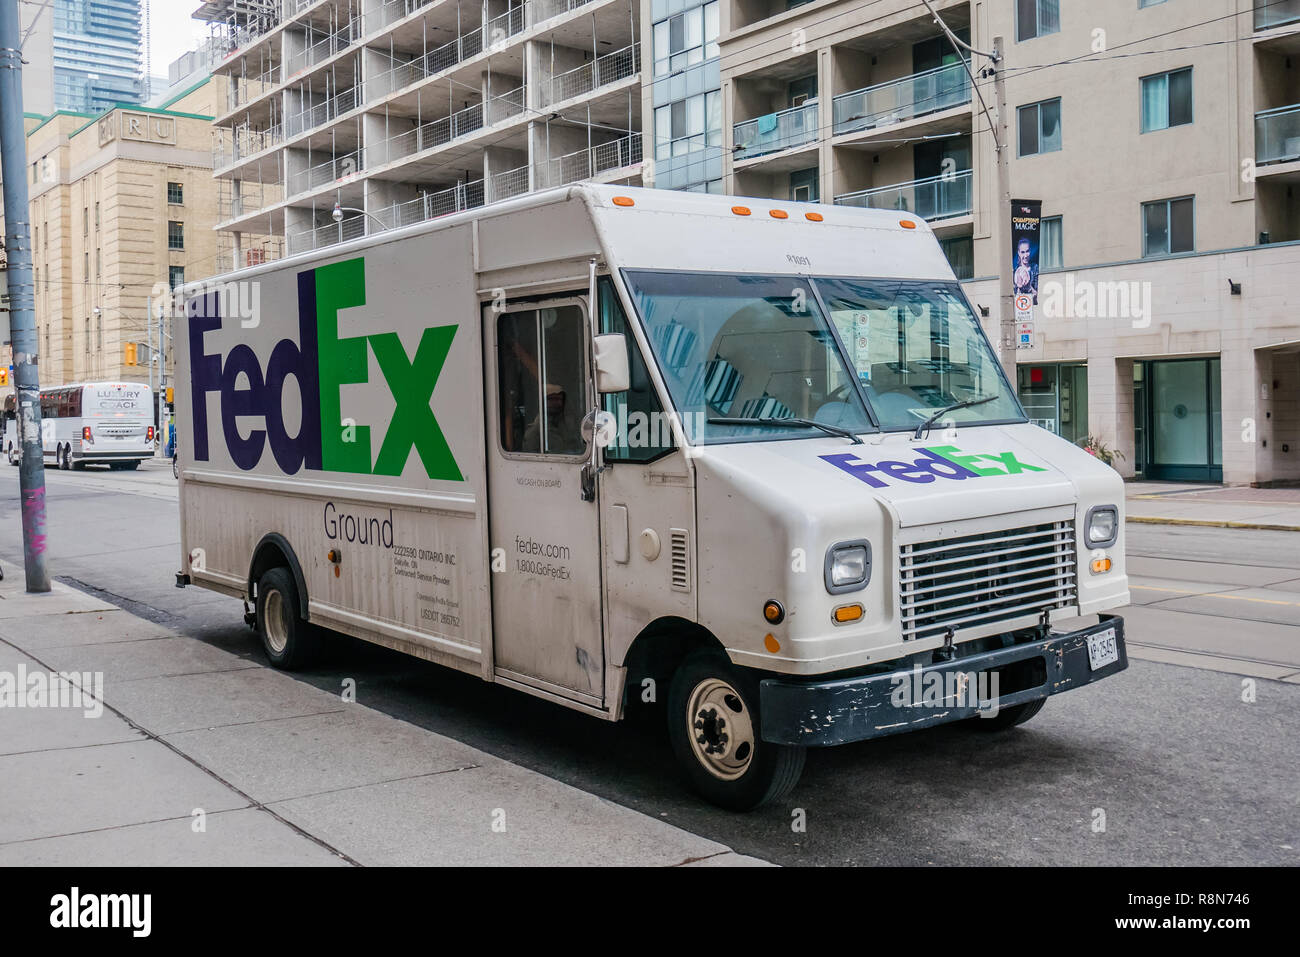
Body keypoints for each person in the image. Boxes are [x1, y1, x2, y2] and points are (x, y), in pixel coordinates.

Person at [1013, 237, 1039, 303]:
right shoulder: (1015, 271)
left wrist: (1029, 287)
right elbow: (1014, 296)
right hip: (1021, 308)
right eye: (1022, 252)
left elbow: (1037, 295)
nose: (1025, 255)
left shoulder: (1035, 268)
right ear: (1018, 253)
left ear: (1030, 250)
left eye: (1027, 251)